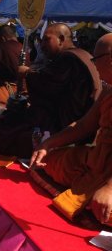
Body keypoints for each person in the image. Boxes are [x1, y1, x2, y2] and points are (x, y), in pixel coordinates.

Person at [0, 23, 101, 158]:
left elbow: (47, 84)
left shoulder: (68, 58)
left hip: (65, 127)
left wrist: (26, 73)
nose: (42, 45)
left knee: (3, 132)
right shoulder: (84, 54)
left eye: (46, 39)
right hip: (80, 124)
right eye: (41, 40)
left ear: (61, 39)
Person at [30, 33, 112, 225]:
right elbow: (84, 125)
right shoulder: (109, 90)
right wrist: (48, 144)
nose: (94, 65)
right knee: (48, 161)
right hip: (97, 160)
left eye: (95, 59)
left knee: (105, 209)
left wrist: (109, 188)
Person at [0, 24, 23, 103]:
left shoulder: (2, 49)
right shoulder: (22, 47)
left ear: (2, 38)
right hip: (24, 89)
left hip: (6, 91)